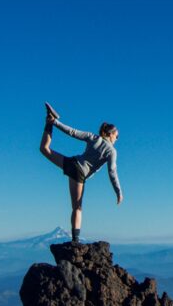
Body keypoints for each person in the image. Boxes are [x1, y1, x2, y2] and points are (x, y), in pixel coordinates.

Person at [39, 102, 123, 243]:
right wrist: (118, 192)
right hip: (79, 173)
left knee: (44, 149)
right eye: (117, 136)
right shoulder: (111, 151)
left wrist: (56, 123)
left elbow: (71, 132)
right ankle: (75, 240)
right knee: (77, 207)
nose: (117, 139)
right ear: (112, 134)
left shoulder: (92, 137)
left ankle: (49, 121)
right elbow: (112, 172)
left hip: (72, 163)